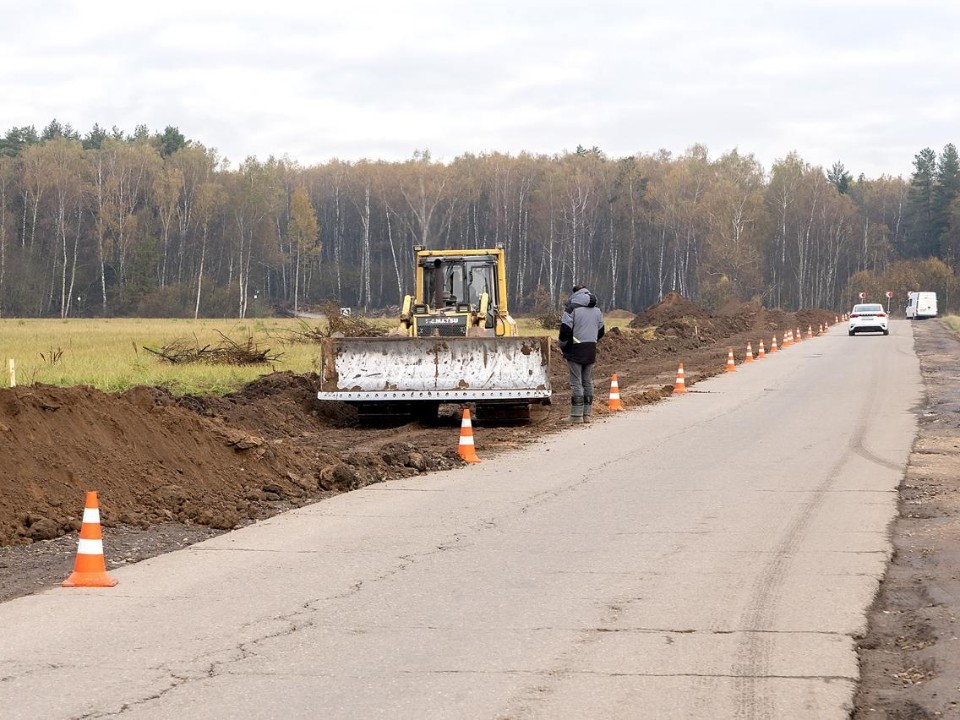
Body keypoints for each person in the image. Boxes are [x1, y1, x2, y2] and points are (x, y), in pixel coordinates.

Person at [558, 284, 605, 423]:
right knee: (588, 381)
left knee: (576, 382)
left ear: (575, 294)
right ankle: (587, 415)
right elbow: (601, 331)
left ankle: (576, 416)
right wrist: (591, 339)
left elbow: (565, 330)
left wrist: (562, 344)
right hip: (591, 348)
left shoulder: (572, 308)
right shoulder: (597, 310)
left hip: (575, 349)